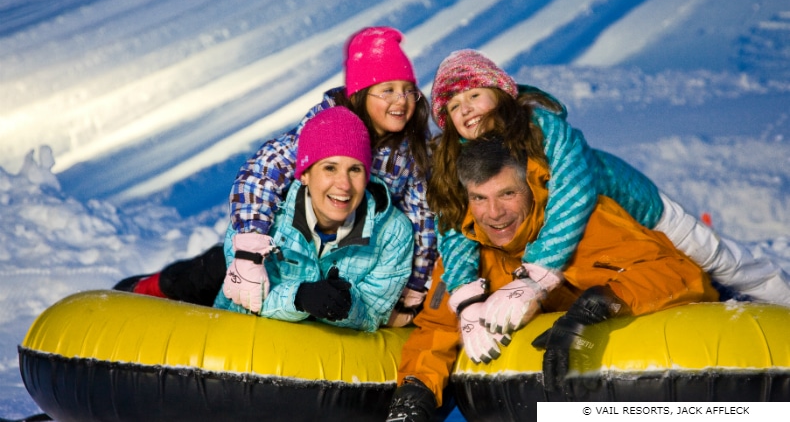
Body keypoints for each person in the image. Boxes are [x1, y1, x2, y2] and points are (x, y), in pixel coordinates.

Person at [428, 49, 790, 340]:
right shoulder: (460, 162)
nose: (467, 110)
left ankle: (781, 302)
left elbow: (572, 196)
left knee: (722, 261)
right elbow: (455, 229)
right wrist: (467, 300)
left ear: (501, 95)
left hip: (640, 208)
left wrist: (533, 279)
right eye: (454, 107)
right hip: (598, 230)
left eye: (474, 96)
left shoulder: (545, 131)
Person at [114, 26, 436, 326]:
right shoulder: (324, 128)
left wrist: (414, 288)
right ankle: (147, 290)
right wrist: (251, 245)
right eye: (388, 90)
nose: (401, 101)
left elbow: (421, 217)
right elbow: (262, 174)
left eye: (409, 90)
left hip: (348, 245)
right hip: (285, 238)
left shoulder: (409, 152)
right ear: (360, 93)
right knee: (210, 271)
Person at [385, 136, 719, 420]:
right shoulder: (467, 256)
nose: (494, 214)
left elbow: (680, 274)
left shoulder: (586, 225)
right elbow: (437, 330)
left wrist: (599, 304)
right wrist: (415, 393)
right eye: (479, 198)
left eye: (507, 194)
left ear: (530, 188)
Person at [213, 106, 413, 331]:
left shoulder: (392, 232)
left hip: (328, 360)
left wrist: (346, 306)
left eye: (355, 170)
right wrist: (300, 298)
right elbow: (241, 299)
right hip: (245, 348)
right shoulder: (260, 218)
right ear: (305, 174)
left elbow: (373, 314)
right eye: (330, 168)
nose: (344, 184)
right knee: (202, 272)